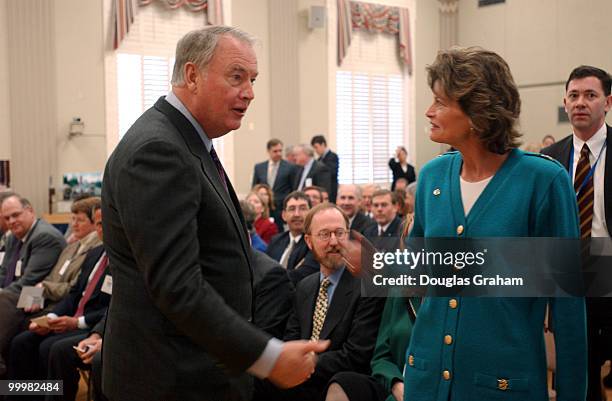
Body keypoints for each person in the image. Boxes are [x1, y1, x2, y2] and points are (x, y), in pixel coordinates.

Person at [101, 26, 327, 401]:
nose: (250, 93)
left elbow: (217, 247)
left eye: (252, 80)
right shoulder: (159, 150)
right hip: (173, 381)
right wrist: (267, 357)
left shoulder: (187, 140)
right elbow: (177, 287)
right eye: (237, 77)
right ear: (192, 75)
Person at [403, 47, 586, 400]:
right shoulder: (431, 177)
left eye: (440, 102)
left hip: (502, 384)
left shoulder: (543, 181)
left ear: (477, 111)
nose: (429, 111)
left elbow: (567, 306)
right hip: (426, 381)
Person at [253, 203, 384, 401]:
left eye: (339, 233)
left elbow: (357, 355)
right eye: (324, 234)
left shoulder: (366, 284)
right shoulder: (305, 286)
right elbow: (292, 337)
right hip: (302, 378)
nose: (334, 241)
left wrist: (308, 362)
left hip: (341, 380)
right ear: (309, 241)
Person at [541, 65, 611, 400]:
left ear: (608, 102)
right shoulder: (548, 159)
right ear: (565, 103)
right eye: (574, 95)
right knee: (576, 375)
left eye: (590, 95)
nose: (580, 102)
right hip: (567, 279)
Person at [0, 194, 66, 376]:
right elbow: (4, 273)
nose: (11, 221)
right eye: (7, 218)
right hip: (20, 295)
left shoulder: (45, 236)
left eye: (15, 215)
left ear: (30, 211)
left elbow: (29, 281)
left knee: (4, 299)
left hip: (40, 297)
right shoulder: (14, 236)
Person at [252, 139, 299, 217]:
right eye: (275, 151)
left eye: (280, 151)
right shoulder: (259, 167)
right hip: (264, 209)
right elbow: (255, 188)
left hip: (281, 208)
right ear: (268, 151)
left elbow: (293, 188)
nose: (279, 153)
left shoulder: (290, 167)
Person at [266, 191, 311, 271]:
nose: (297, 214)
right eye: (292, 209)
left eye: (303, 208)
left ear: (310, 213)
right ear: (284, 215)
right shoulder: (275, 241)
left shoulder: (312, 243)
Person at [311, 135, 339, 202]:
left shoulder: (332, 156)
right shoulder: (319, 159)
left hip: (331, 190)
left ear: (323, 144)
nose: (315, 150)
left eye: (316, 147)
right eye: (314, 148)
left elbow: (332, 172)